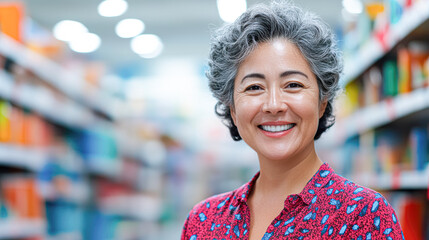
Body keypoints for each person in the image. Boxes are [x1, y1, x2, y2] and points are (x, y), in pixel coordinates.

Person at [181, 1, 404, 239]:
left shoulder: (364, 216)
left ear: (322, 101)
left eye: (293, 85)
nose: (274, 105)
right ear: (232, 108)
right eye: (254, 87)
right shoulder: (203, 221)